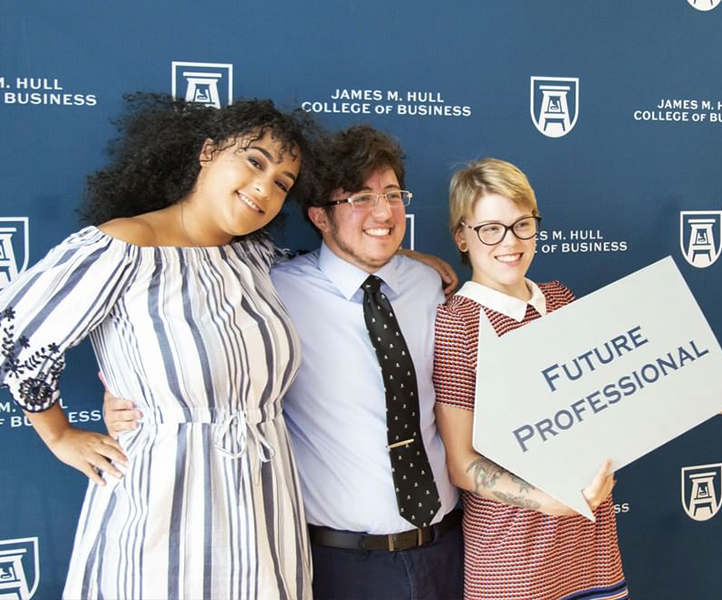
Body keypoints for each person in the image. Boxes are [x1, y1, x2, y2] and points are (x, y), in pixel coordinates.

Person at [0, 93, 322, 599]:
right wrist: (60, 435)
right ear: (208, 151)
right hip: (162, 505)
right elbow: (13, 335)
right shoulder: (124, 247)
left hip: (263, 503)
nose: (265, 187)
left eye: (282, 183)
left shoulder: (258, 258)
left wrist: (409, 260)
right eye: (254, 161)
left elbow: (332, 270)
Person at [271, 125, 463, 600]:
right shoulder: (275, 291)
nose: (383, 212)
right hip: (342, 565)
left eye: (392, 195)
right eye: (360, 197)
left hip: (448, 549)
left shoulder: (430, 284)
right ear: (319, 216)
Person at [433, 157, 628, 600]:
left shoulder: (561, 300)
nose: (510, 241)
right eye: (490, 228)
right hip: (515, 558)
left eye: (522, 224)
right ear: (462, 236)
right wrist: (549, 501)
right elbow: (462, 463)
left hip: (592, 545)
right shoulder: (458, 324)